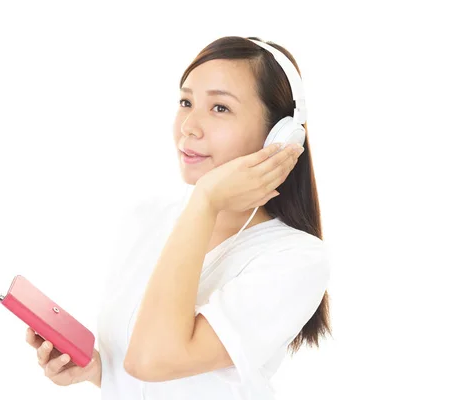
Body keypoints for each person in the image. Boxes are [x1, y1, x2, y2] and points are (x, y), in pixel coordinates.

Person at [26, 35, 332, 399]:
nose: (189, 125)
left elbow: (153, 360)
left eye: (220, 108)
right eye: (186, 102)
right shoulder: (147, 220)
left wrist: (204, 202)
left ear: (279, 136)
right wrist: (98, 369)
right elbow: (146, 370)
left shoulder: (296, 259)